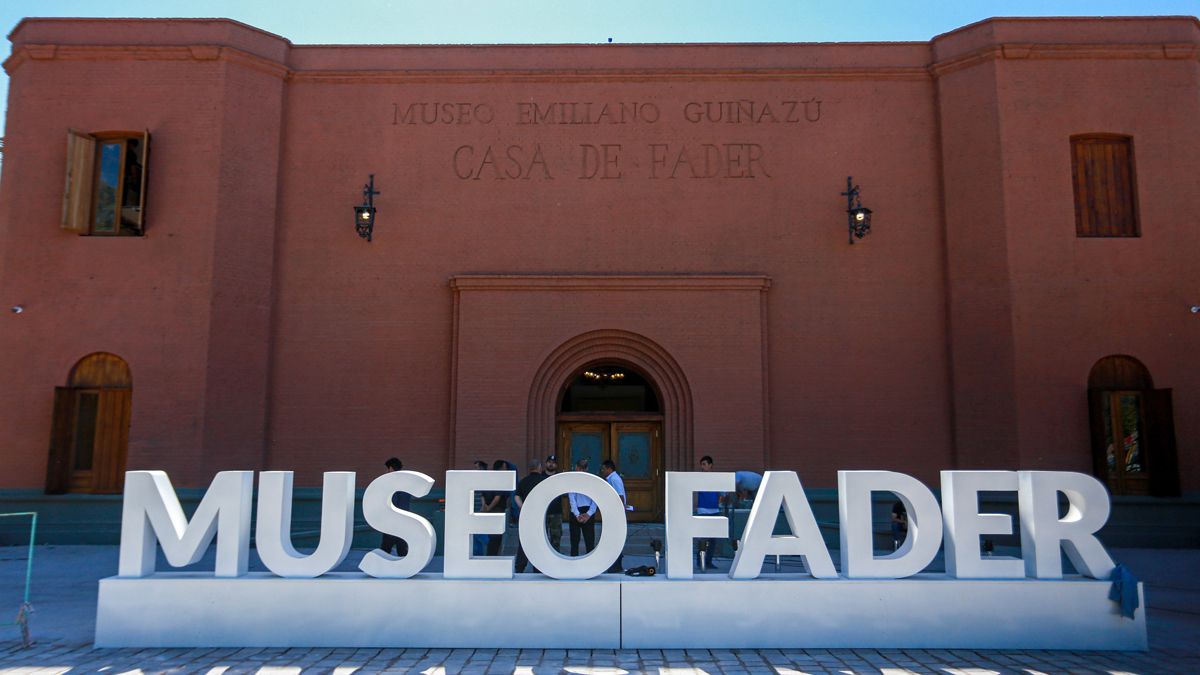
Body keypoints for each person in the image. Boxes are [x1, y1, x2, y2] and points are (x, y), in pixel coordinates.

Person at [513, 457, 546, 573]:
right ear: (539, 467)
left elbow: (517, 496)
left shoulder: (523, 481)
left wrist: (523, 507)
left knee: (524, 541)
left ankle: (519, 567)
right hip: (539, 516)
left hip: (526, 517)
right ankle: (538, 568)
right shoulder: (544, 481)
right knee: (539, 541)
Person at [378, 457, 410, 557]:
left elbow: (394, 502)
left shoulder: (391, 483)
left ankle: (380, 568)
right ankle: (405, 568)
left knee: (386, 548)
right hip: (404, 519)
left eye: (387, 469)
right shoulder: (406, 482)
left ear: (391, 468)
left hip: (392, 520)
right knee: (402, 548)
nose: (386, 472)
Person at [600, 459, 626, 573]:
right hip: (612, 513)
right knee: (612, 538)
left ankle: (616, 564)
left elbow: (620, 496)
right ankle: (612, 564)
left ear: (609, 468)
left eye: (603, 469)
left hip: (615, 514)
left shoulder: (614, 479)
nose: (602, 471)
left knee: (615, 539)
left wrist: (617, 513)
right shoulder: (611, 479)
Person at [695, 455, 721, 570]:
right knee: (702, 538)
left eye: (705, 464)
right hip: (703, 510)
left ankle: (708, 561)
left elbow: (722, 493)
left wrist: (718, 502)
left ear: (711, 465)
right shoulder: (699, 478)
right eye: (702, 464)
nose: (703, 466)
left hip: (714, 510)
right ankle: (700, 561)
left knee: (713, 539)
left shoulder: (717, 478)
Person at [567, 458, 597, 556]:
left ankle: (590, 565)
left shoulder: (593, 481)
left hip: (585, 511)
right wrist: (578, 514)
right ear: (576, 467)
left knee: (589, 541)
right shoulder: (572, 481)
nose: (581, 470)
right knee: (575, 541)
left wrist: (588, 514)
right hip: (578, 511)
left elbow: (596, 498)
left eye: (582, 468)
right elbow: (572, 498)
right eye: (580, 468)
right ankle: (574, 564)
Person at [480, 459, 510, 556]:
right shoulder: (499, 480)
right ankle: (492, 556)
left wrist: (485, 506)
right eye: (505, 468)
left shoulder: (488, 479)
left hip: (488, 510)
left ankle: (490, 555)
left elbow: (482, 495)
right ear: (501, 468)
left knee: (490, 534)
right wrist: (489, 508)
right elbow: (497, 497)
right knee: (496, 536)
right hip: (497, 510)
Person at [542, 454, 564, 553]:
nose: (551, 465)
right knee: (542, 535)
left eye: (553, 463)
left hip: (556, 511)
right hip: (542, 511)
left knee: (556, 536)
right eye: (549, 462)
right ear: (546, 463)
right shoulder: (540, 476)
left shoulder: (560, 477)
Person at [471, 460, 488, 557]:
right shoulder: (475, 480)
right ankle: (478, 554)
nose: (475, 470)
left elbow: (483, 495)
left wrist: (483, 505)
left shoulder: (485, 480)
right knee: (476, 535)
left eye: (477, 467)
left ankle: (481, 554)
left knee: (480, 535)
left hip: (481, 511)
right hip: (474, 510)